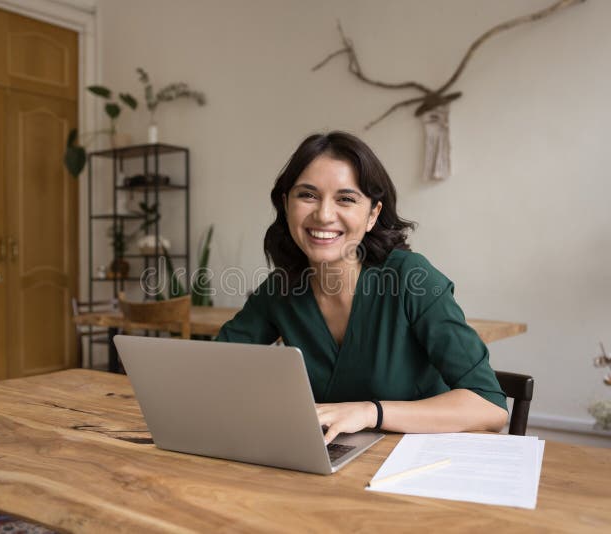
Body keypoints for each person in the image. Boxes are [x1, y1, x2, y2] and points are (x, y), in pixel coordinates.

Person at [216, 131, 508, 444]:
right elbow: (211, 370)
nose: (324, 215)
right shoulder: (281, 288)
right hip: (327, 467)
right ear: (286, 204)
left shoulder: (412, 278)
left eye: (345, 199)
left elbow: (489, 406)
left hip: (417, 468)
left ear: (372, 215)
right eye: (307, 195)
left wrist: (371, 413)